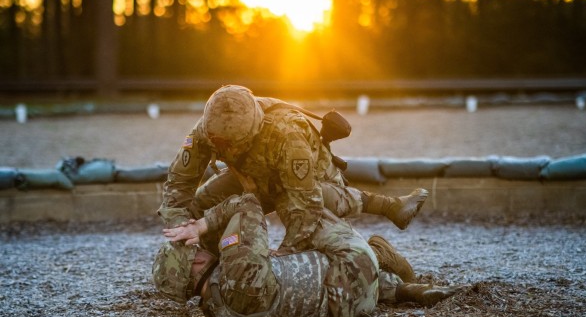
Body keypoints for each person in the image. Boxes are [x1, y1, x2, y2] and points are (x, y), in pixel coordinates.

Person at [158, 84, 429, 254]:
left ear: (254, 131)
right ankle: (218, 266)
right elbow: (179, 182)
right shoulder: (207, 129)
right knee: (204, 204)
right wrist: (179, 229)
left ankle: (382, 252)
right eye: (223, 146)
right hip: (255, 176)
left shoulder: (286, 134)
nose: (230, 151)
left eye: (236, 145)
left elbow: (306, 202)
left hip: (308, 182)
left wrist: (286, 255)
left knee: (319, 239)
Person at [154, 193, 467, 317]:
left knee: (307, 272)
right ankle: (381, 253)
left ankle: (403, 291)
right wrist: (201, 225)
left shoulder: (217, 309)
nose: (201, 247)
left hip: (349, 309)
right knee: (304, 206)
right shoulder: (236, 265)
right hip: (354, 264)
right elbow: (247, 205)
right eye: (195, 250)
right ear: (195, 264)